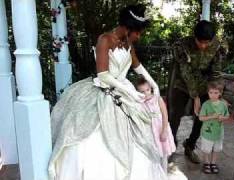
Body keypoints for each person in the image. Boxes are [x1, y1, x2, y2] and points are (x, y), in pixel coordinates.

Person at [48, 4, 168, 180]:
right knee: (91, 133)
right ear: (128, 28)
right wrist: (130, 93)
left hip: (122, 88)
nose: (139, 36)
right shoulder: (105, 39)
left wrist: (153, 83)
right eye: (137, 32)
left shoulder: (128, 43)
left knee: (137, 136)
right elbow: (103, 75)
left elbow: (137, 65)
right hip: (103, 89)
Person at [167, 20, 223, 164]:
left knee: (201, 117)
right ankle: (169, 146)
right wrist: (195, 96)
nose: (204, 46)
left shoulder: (217, 46)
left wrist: (215, 95)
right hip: (182, 84)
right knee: (174, 115)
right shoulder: (181, 46)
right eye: (201, 42)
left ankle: (190, 146)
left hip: (204, 84)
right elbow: (186, 73)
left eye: (207, 43)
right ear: (194, 36)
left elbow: (215, 72)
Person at [135, 77, 176, 172]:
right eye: (142, 92)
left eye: (147, 90)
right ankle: (156, 173)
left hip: (160, 128)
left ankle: (164, 173)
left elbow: (165, 115)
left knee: (164, 154)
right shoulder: (140, 103)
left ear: (151, 88)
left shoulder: (158, 99)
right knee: (155, 153)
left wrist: (164, 130)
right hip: (150, 131)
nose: (146, 93)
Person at [199, 82, 229, 174]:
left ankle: (213, 163)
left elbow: (227, 116)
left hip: (219, 132)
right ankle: (206, 163)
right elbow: (201, 118)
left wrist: (222, 118)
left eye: (216, 93)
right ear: (208, 93)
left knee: (217, 149)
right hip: (207, 133)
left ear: (220, 93)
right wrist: (212, 117)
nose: (213, 95)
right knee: (207, 149)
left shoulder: (223, 105)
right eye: (211, 92)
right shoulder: (205, 105)